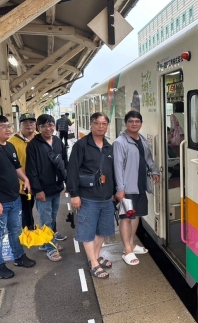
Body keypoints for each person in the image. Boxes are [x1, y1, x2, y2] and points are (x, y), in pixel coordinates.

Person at [0, 115, 36, 279]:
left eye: (9, 125)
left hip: (14, 199)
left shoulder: (9, 146)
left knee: (15, 230)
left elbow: (16, 167)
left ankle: (18, 256)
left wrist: (26, 179)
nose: (8, 129)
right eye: (3, 126)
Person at [66, 112, 115, 279]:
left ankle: (95, 255)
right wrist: (74, 194)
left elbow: (112, 172)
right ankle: (94, 263)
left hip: (106, 197)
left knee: (103, 230)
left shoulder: (109, 146)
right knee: (87, 231)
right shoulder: (81, 145)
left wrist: (114, 192)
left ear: (107, 126)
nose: (101, 126)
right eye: (97, 123)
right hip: (87, 196)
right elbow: (72, 170)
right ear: (91, 124)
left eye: (104, 123)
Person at [113, 111, 160, 266]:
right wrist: (120, 189)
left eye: (137, 121)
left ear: (141, 123)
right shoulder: (120, 142)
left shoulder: (142, 139)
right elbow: (118, 167)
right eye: (131, 121)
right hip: (127, 188)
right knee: (126, 217)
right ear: (126, 123)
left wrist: (154, 171)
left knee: (137, 215)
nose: (134, 124)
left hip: (140, 185)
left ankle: (132, 244)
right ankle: (127, 250)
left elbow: (148, 158)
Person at [26, 114, 67, 262]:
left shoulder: (57, 141)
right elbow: (31, 170)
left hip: (56, 187)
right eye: (44, 126)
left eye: (51, 125)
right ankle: (50, 248)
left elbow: (64, 162)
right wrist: (38, 190)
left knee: (53, 217)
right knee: (46, 219)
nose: (48, 128)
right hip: (43, 189)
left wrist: (67, 182)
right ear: (39, 128)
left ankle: (47, 242)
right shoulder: (33, 145)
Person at [8, 113, 38, 230]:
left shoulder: (39, 138)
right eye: (25, 123)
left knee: (39, 205)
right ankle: (28, 229)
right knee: (26, 207)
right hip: (21, 182)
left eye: (31, 122)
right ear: (20, 125)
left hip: (38, 181)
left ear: (35, 124)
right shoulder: (12, 141)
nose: (29, 125)